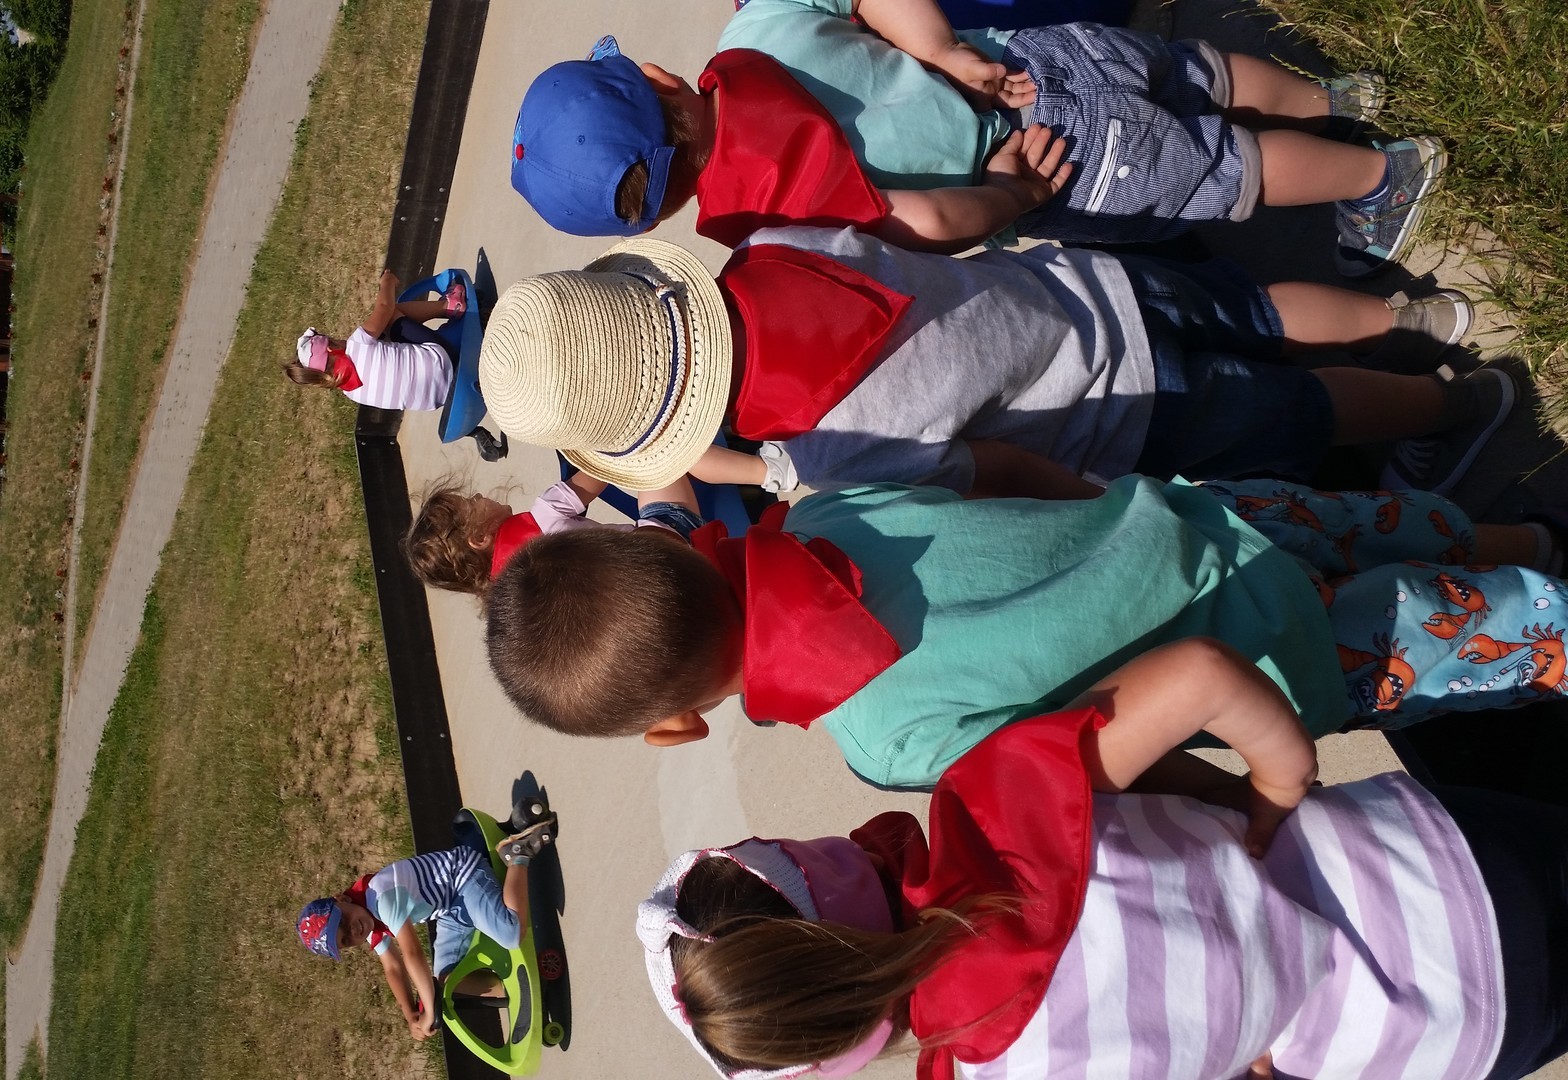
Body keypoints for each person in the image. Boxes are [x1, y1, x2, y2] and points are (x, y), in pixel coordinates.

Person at [638, 640, 1567, 1079]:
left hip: (1446, 1035)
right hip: (1437, 860)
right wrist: (1278, 778)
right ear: (811, 864)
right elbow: (1200, 676)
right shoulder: (990, 814)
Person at [485, 448, 1567, 790]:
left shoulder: (888, 744)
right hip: (1205, 513)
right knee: (1397, 524)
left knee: (1490, 634)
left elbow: (1104, 753)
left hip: (1283, 657)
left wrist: (1253, 788)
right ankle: (1528, 533)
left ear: (673, 726)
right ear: (663, 543)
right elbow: (996, 470)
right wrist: (1112, 510)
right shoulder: (824, 513)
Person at [480, 233, 1503, 517]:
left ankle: (1449, 408)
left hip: (1122, 413)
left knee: (1300, 410)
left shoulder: (830, 451)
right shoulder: (771, 248)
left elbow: (995, 467)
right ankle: (1419, 318)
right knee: (1260, 311)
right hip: (1087, 284)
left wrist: (1099, 506)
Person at [511, 22, 1438, 276]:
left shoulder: (764, 211)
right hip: (1025, 64)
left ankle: (1379, 177)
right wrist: (952, 55)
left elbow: (920, 220)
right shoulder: (753, 33)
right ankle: (1338, 99)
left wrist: (1015, 199)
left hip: (1042, 157)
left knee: (1224, 169)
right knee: (1195, 72)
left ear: (655, 217)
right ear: (655, 76)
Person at [404, 445, 797, 596]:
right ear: (479, 537)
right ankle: (771, 471)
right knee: (654, 452)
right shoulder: (544, 514)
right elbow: (602, 466)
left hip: (661, 598)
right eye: (471, 502)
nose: (478, 496)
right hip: (673, 548)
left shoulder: (519, 598)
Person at [297, 811, 555, 1040]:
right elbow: (393, 968)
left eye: (343, 921)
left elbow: (412, 953)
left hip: (462, 878)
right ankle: (523, 992)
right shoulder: (364, 920)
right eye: (345, 940)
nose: (353, 930)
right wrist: (410, 1014)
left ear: (342, 900)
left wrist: (429, 1009)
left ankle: (518, 855)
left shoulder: (380, 897)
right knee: (447, 977)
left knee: (510, 933)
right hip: (450, 910)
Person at [286, 269, 466, 411]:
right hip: (447, 361)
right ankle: (450, 306)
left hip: (444, 398)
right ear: (331, 348)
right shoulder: (358, 344)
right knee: (391, 315)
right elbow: (384, 306)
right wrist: (387, 282)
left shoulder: (351, 392)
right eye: (333, 339)